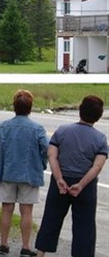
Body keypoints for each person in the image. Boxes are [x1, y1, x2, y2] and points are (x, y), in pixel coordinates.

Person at [35, 95, 108, 257]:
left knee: (51, 219)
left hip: (60, 181)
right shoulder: (100, 139)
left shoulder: (62, 131)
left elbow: (52, 155)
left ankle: (41, 253)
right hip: (85, 186)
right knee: (84, 225)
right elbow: (97, 166)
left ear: (80, 111)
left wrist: (59, 178)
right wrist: (81, 184)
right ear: (99, 115)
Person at [0, 90, 48, 257]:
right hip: (29, 173)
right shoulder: (37, 128)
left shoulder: (3, 126)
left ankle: (4, 243)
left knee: (6, 208)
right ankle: (25, 246)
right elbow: (47, 149)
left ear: (14, 106)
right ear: (30, 107)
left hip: (6, 171)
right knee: (26, 210)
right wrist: (41, 163)